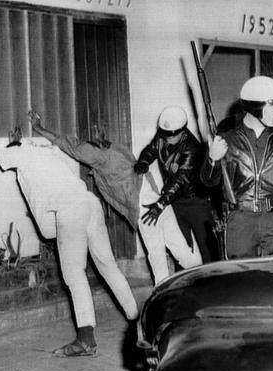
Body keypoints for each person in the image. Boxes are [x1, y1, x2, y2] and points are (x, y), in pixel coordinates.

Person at [0, 128, 139, 357]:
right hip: (89, 203)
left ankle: (86, 340)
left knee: (74, 276)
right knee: (109, 268)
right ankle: (140, 324)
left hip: (71, 211)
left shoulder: (19, 155)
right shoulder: (42, 153)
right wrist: (16, 143)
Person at [28, 111, 200, 284]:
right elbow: (148, 151)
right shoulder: (115, 150)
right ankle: (205, 280)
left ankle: (162, 296)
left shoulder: (98, 156)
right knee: (181, 250)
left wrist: (39, 128)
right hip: (158, 199)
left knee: (157, 256)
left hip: (146, 208)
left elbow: (67, 145)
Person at [200, 76, 273, 259]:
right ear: (256, 106)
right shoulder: (227, 139)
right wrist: (212, 159)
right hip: (240, 221)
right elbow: (208, 182)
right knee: (241, 281)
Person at [133, 106, 215, 263]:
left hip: (196, 202)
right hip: (175, 201)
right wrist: (143, 161)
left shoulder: (192, 148)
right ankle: (185, 284)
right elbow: (151, 150)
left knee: (207, 249)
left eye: (172, 136)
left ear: (182, 131)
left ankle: (214, 284)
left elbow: (181, 180)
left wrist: (160, 204)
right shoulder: (163, 135)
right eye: (164, 135)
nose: (167, 139)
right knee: (182, 248)